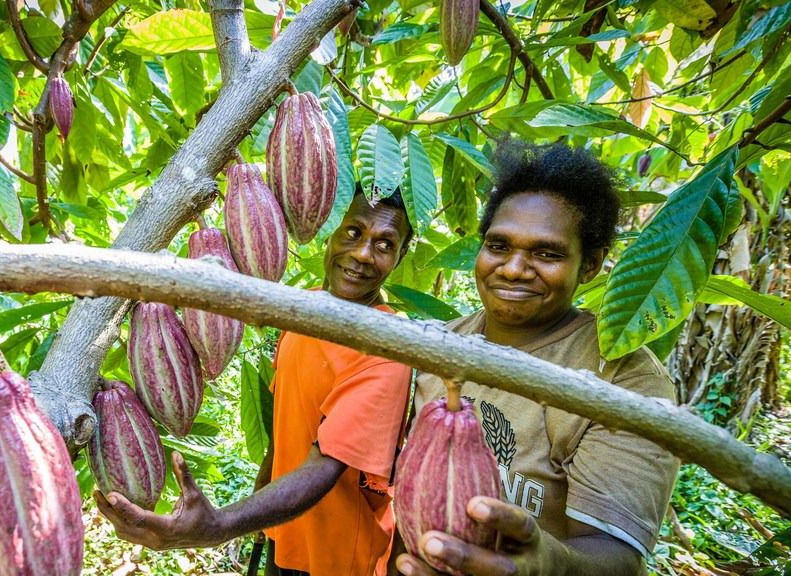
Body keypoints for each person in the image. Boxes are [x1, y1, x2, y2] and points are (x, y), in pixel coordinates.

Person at [97, 186, 416, 576]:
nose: (364, 254)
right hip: (284, 533)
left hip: (340, 557)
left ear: (400, 257)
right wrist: (260, 513)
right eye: (353, 232)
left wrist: (219, 525)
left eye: (385, 245)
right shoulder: (303, 309)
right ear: (332, 230)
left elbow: (326, 464)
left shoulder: (388, 346)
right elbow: (287, 427)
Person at [394, 141, 679, 576]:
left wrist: (546, 565)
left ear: (591, 265)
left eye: (547, 253)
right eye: (499, 245)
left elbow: (615, 556)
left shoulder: (628, 381)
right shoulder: (440, 346)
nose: (512, 268)